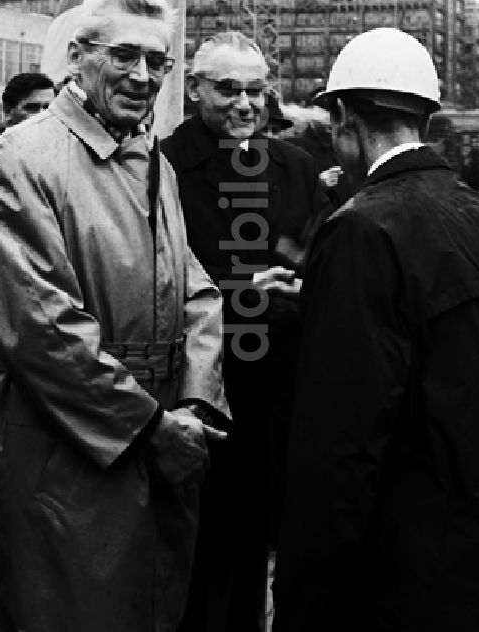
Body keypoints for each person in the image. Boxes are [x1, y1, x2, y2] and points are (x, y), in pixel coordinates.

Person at [0, 0, 229, 632]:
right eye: (124, 55)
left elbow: (193, 287)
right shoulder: (21, 159)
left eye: (158, 62)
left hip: (158, 438)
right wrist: (149, 427)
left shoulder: (151, 161)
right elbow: (41, 327)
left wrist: (195, 402)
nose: (142, 76)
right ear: (79, 54)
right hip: (65, 449)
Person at [272, 28, 479, 632]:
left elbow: (340, 441)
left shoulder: (361, 231)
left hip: (404, 569)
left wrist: (304, 600)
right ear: (426, 117)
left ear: (343, 114)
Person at [161, 31, 324, 632]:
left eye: (256, 90)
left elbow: (313, 255)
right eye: (228, 89)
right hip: (196, 389)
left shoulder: (295, 166)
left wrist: (300, 287)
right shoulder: (164, 165)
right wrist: (245, 289)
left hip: (276, 389)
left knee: (257, 547)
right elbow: (159, 277)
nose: (245, 104)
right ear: (195, 89)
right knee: (196, 551)